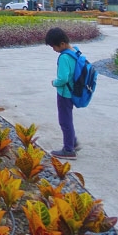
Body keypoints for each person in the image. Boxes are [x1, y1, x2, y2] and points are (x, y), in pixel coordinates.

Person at [45, 27, 81, 159]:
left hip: (65, 93)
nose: (54, 50)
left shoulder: (64, 57)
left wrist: (54, 82)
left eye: (54, 47)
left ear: (62, 44)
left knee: (65, 121)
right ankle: (72, 141)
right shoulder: (75, 51)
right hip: (73, 91)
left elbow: (63, 78)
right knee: (67, 119)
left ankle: (68, 149)